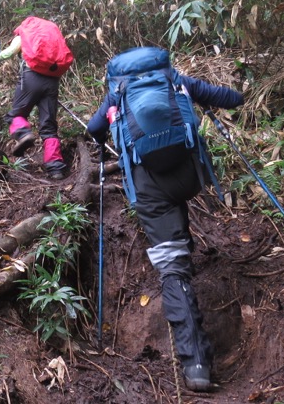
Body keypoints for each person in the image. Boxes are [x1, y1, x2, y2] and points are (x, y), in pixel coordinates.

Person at [86, 50, 244, 392]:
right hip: (190, 176)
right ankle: (183, 247)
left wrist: (106, 126)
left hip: (149, 186)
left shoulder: (118, 94)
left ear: (116, 76)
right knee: (176, 213)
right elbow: (230, 98)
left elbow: (94, 129)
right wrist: (230, 95)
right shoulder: (175, 81)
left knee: (171, 267)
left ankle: (196, 363)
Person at [0, 17, 73, 180]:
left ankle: (23, 134)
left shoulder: (24, 35)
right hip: (53, 81)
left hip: (31, 78)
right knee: (48, 126)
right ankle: (55, 168)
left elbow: (9, 52)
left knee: (16, 115)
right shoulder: (51, 38)